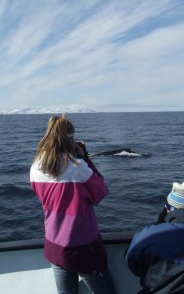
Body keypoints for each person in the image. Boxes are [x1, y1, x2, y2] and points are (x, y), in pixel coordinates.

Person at [30, 114, 116, 294]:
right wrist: (84, 157)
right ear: (70, 139)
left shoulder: (36, 166)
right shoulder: (77, 168)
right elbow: (100, 192)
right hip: (82, 243)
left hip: (54, 240)